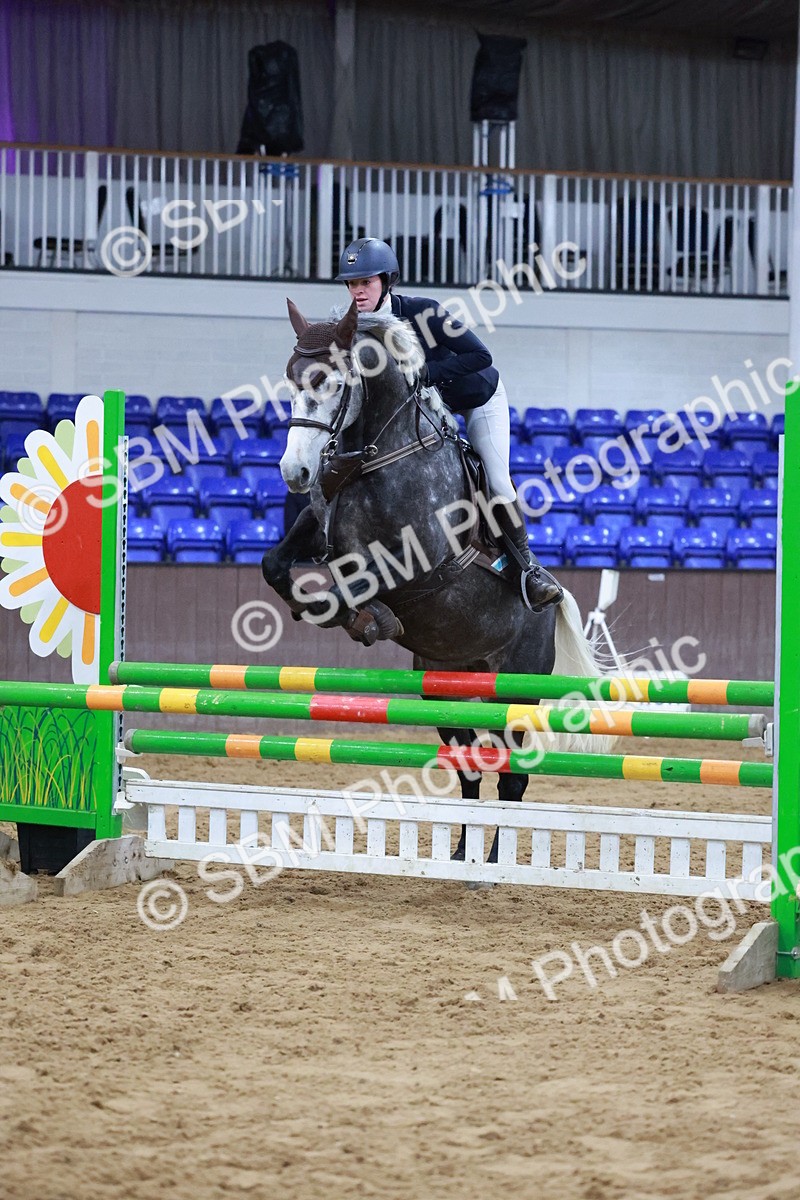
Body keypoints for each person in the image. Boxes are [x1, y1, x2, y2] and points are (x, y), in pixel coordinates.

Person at [334, 236, 563, 612]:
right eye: (352, 284)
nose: (357, 292)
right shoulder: (354, 327)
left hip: (475, 398)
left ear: (387, 281)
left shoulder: (424, 312)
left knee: (498, 479)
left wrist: (425, 373)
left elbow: (480, 355)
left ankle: (527, 569)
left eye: (366, 282)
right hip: (421, 410)